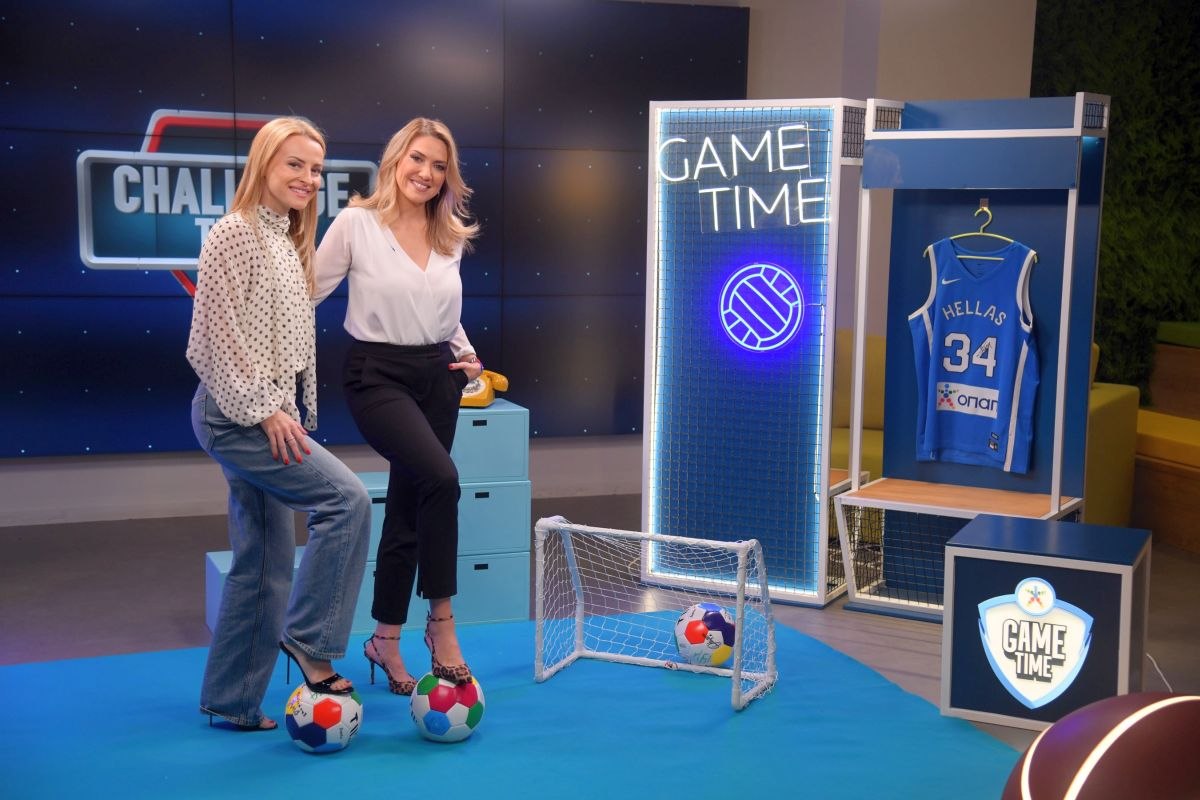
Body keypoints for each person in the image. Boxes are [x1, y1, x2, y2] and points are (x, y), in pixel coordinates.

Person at [187, 117, 371, 731]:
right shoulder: (234, 233)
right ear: (264, 163)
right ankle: (310, 641)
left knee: (264, 561)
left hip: (265, 412)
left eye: (316, 169)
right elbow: (214, 339)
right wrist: (267, 410)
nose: (308, 178)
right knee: (346, 499)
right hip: (236, 415)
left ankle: (232, 700)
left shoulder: (288, 240)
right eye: (295, 164)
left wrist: (283, 408)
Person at [314, 117, 482, 696]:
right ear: (395, 160)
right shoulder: (357, 223)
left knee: (410, 508)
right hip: (377, 374)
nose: (426, 173)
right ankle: (442, 625)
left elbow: (440, 309)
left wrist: (466, 354)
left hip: (438, 375)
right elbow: (304, 291)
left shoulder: (449, 233)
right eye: (417, 159)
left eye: (439, 165)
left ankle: (385, 639)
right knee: (442, 479)